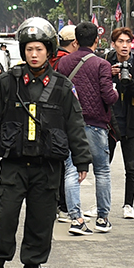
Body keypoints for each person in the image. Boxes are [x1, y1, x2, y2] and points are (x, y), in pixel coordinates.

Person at [0, 17, 92, 268]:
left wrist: (81, 159)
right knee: (3, 219)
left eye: (39, 49)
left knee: (41, 222)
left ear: (49, 50)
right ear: (22, 51)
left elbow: (74, 124)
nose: (33, 54)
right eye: (29, 49)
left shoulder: (63, 87)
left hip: (47, 167)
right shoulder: (8, 83)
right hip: (15, 165)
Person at [57, 21, 117, 235]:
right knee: (101, 170)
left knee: (71, 170)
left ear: (75, 41)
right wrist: (117, 92)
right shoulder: (102, 65)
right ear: (96, 40)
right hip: (96, 126)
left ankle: (76, 219)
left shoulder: (63, 64)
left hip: (69, 125)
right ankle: (102, 218)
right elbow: (109, 96)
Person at [106, 27, 134, 220]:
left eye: (127, 42)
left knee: (131, 167)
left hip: (131, 123)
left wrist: (129, 80)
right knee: (103, 166)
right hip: (109, 123)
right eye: (120, 42)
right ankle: (102, 204)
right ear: (113, 44)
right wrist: (109, 73)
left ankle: (128, 205)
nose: (124, 46)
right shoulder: (105, 62)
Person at [52, 24, 78, 223]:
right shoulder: (67, 62)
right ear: (75, 43)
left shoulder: (52, 60)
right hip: (64, 119)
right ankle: (64, 206)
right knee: (67, 166)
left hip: (48, 118)